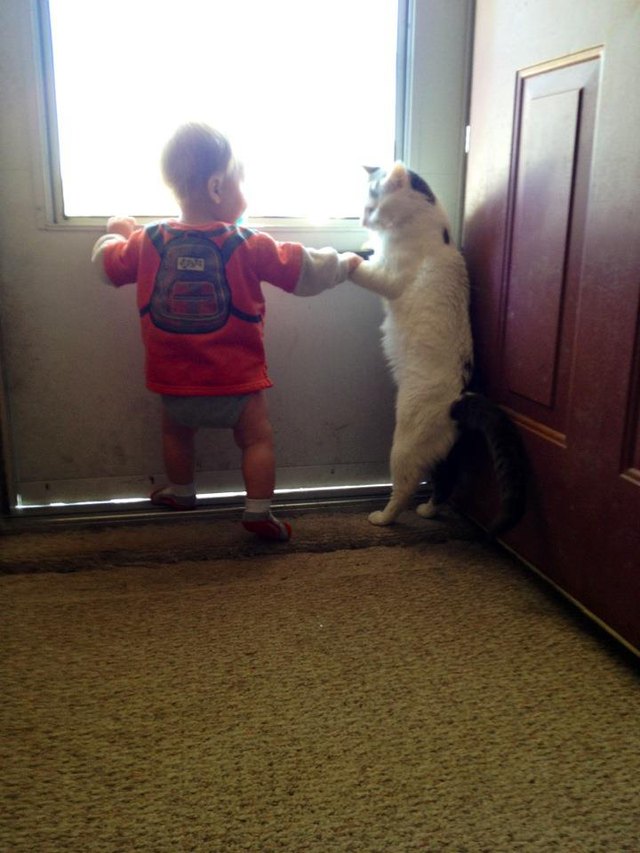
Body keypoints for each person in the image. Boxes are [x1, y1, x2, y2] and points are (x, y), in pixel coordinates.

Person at [92, 122, 361, 541]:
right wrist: (346, 263)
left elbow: (107, 267)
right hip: (237, 380)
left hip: (174, 379)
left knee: (174, 432)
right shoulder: (246, 242)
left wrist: (117, 232)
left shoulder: (149, 240)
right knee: (257, 440)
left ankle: (182, 491)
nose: (245, 194)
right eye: (241, 183)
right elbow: (301, 269)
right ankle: (257, 510)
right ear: (217, 187)